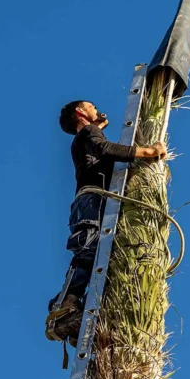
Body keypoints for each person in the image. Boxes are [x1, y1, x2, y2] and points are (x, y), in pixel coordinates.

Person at [46, 100, 166, 344]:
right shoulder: (88, 133)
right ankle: (62, 307)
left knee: (97, 254)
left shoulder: (88, 134)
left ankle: (72, 318)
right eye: (91, 106)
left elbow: (98, 151)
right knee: (88, 249)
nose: (96, 108)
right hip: (91, 200)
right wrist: (149, 152)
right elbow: (104, 149)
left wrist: (99, 123)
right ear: (80, 112)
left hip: (94, 200)